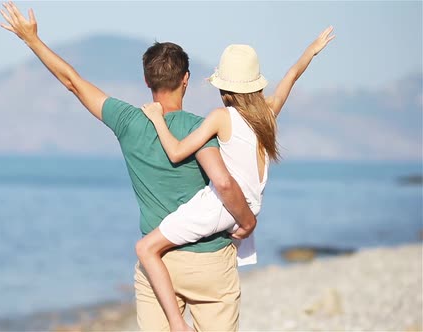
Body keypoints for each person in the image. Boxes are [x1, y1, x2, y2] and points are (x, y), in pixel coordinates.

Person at [0, 2, 257, 331]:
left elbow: (73, 83)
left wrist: (31, 40)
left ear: (147, 80)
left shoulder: (128, 121)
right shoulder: (201, 127)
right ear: (186, 80)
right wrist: (246, 221)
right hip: (208, 260)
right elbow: (225, 181)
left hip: (157, 263)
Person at [136, 28, 335, 331]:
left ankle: (177, 323)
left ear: (223, 87)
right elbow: (291, 77)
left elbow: (176, 153)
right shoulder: (266, 114)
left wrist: (157, 119)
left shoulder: (221, 117)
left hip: (224, 204)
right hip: (250, 205)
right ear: (255, 85)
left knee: (146, 249)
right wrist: (311, 50)